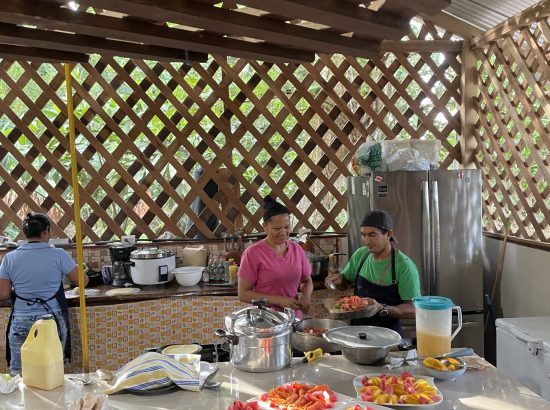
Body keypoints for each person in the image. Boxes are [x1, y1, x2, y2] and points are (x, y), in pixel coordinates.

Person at [0, 213, 88, 374]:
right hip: (51, 321)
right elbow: (82, 282)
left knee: (19, 374)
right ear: (47, 231)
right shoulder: (59, 254)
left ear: (24, 233)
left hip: (21, 320)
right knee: (50, 372)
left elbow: (3, 293)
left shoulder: (9, 258)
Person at [325, 210, 420, 335]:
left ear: (389, 234)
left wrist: (381, 308)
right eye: (363, 235)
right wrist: (337, 281)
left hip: (388, 337)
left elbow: (413, 310)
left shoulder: (404, 266)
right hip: (357, 333)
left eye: (372, 235)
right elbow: (345, 283)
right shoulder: (361, 255)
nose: (366, 241)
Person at [238, 195, 313, 318]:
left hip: (293, 317)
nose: (283, 232)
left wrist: (306, 297)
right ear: (265, 227)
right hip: (265, 320)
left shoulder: (296, 249)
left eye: (287, 227)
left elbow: (307, 280)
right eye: (277, 228)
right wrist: (278, 300)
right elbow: (243, 294)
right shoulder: (253, 253)